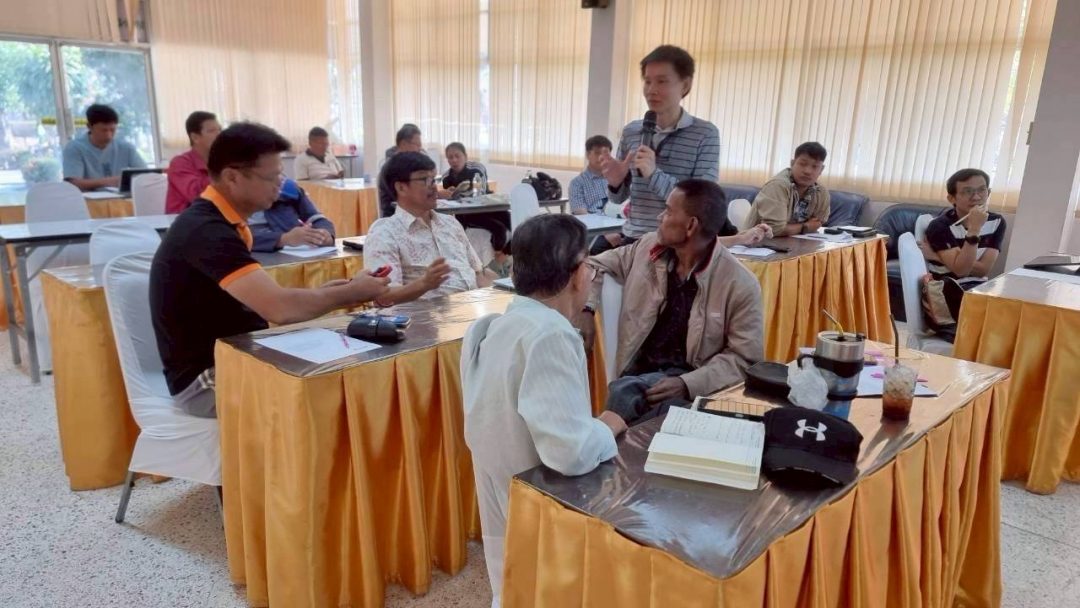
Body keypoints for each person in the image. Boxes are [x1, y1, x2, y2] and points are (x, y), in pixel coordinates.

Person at [150, 123, 449, 418]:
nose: (281, 185)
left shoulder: (224, 223)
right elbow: (280, 308)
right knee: (336, 390)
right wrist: (351, 293)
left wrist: (335, 291)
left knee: (358, 365)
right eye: (272, 177)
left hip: (241, 350)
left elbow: (267, 300)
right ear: (232, 177)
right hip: (208, 377)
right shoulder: (207, 230)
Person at [461, 213, 626, 608]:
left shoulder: (495, 325)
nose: (591, 275)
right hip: (542, 512)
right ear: (577, 275)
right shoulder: (550, 335)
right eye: (589, 265)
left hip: (505, 495)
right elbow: (569, 452)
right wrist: (608, 425)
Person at [579, 179, 764, 425]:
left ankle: (611, 435)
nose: (659, 217)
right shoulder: (647, 248)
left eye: (667, 211)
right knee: (628, 393)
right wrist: (587, 309)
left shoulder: (739, 283)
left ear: (691, 225)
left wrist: (687, 384)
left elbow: (745, 359)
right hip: (636, 376)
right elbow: (591, 263)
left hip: (693, 385)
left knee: (651, 410)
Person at [594, 45, 719, 255]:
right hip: (634, 241)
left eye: (662, 81)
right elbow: (618, 199)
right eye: (647, 81)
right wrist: (615, 184)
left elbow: (702, 204)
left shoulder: (705, 134)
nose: (651, 90)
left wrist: (654, 174)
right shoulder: (632, 131)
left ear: (685, 85)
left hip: (679, 247)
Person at [364, 151, 495, 303]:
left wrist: (505, 290)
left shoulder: (450, 223)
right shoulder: (384, 233)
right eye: (424, 180)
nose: (433, 187)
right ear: (401, 188)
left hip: (473, 308)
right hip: (426, 316)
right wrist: (424, 284)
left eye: (433, 180)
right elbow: (383, 297)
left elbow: (478, 274)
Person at [918, 168, 1005, 342]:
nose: (976, 197)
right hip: (948, 293)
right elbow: (961, 271)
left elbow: (983, 270)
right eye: (967, 192)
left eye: (981, 190)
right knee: (998, 331)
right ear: (952, 198)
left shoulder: (997, 222)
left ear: (988, 192)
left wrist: (938, 257)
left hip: (978, 288)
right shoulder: (940, 226)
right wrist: (974, 229)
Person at [439, 142, 511, 275]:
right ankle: (497, 259)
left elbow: (481, 194)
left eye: (457, 156)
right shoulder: (446, 177)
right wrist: (450, 194)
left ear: (465, 156)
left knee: (513, 221)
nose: (454, 160)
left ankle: (504, 254)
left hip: (487, 207)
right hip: (468, 213)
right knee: (499, 229)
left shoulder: (477, 169)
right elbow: (450, 202)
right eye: (450, 157)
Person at [744, 141, 831, 235]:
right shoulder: (777, 186)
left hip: (796, 242)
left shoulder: (821, 191)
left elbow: (818, 222)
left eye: (815, 167)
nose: (808, 171)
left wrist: (801, 228)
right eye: (803, 164)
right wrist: (805, 227)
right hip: (757, 242)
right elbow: (772, 230)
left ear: (821, 169)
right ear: (792, 163)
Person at [62, 103, 146, 191]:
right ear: (89, 127)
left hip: (121, 198)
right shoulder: (75, 148)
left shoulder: (126, 148)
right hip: (88, 198)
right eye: (104, 130)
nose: (108, 135)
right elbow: (73, 183)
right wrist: (109, 181)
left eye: (112, 130)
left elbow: (146, 175)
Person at [250, 179, 336, 252]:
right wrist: (283, 239)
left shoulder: (289, 189)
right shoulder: (244, 195)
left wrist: (325, 234)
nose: (279, 181)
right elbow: (243, 239)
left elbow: (316, 217)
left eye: (279, 173)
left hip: (299, 255)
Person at [166, 111, 221, 213]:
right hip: (184, 220)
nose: (219, 135)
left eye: (220, 130)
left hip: (214, 218)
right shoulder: (179, 163)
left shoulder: (222, 161)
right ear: (195, 137)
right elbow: (200, 195)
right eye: (212, 131)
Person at [378, 124, 426, 217]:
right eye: (417, 145)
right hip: (396, 216)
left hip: (410, 213)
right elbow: (405, 196)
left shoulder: (407, 165)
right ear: (403, 144)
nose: (419, 149)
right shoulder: (393, 168)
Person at [569, 135, 613, 216]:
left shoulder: (616, 179)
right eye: (597, 153)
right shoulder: (577, 183)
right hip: (592, 223)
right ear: (588, 155)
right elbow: (581, 215)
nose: (601, 157)